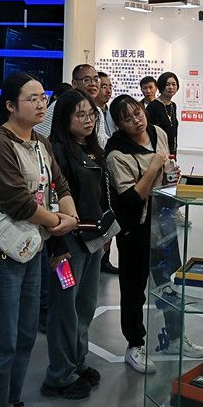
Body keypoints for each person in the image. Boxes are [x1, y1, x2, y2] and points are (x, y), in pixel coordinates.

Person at [0, 73, 77, 407]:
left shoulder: (39, 142)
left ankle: (10, 403)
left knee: (24, 334)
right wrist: (58, 223)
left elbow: (59, 184)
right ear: (9, 105)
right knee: (0, 338)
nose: (40, 103)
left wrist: (69, 214)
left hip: (31, 249)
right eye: (31, 98)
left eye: (42, 97)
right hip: (0, 253)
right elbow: (16, 201)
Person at [105, 95, 203, 373]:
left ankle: (175, 336)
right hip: (135, 228)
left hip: (164, 220)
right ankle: (134, 344)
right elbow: (131, 199)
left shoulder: (158, 132)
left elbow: (165, 170)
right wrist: (152, 168)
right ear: (119, 125)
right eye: (127, 119)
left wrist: (170, 174)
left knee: (171, 283)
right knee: (134, 288)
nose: (136, 121)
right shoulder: (117, 154)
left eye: (137, 113)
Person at [44, 89, 108, 399]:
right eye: (80, 115)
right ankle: (59, 374)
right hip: (67, 245)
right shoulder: (57, 151)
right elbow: (52, 201)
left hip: (93, 240)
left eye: (91, 114)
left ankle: (77, 362)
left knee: (85, 304)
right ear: (64, 118)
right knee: (64, 309)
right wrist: (57, 247)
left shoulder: (92, 148)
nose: (88, 120)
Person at [36, 64, 107, 147]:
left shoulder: (98, 110)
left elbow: (100, 139)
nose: (93, 84)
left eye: (96, 79)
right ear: (74, 83)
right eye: (87, 80)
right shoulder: (61, 104)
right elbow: (40, 135)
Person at [95, 73, 119, 275]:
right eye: (104, 86)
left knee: (111, 216)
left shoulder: (110, 111)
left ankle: (105, 260)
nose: (108, 90)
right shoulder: (92, 113)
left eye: (110, 86)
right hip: (97, 170)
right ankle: (98, 259)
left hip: (111, 170)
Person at [145, 71, 179, 156]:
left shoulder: (173, 105)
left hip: (172, 152)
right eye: (167, 84)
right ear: (161, 86)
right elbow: (147, 131)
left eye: (174, 84)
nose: (171, 87)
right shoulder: (153, 106)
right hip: (157, 153)